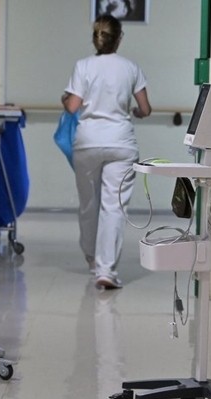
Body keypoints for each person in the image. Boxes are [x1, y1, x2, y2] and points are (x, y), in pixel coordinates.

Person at [62, 14, 151, 290]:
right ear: (119, 38)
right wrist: (135, 112)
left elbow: (72, 106)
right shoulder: (131, 68)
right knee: (114, 207)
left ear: (95, 38)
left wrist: (65, 98)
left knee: (89, 204)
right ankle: (106, 270)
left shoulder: (83, 66)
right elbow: (145, 109)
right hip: (121, 143)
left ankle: (92, 259)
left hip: (87, 143)